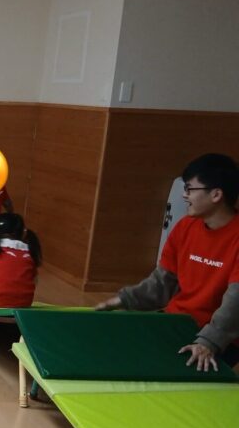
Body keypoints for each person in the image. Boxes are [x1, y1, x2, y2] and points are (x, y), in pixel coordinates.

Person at [96, 153, 239, 372]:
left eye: (190, 189)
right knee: (114, 351)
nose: (184, 195)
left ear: (216, 194)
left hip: (218, 337)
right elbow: (163, 282)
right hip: (176, 321)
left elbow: (235, 302)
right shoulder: (185, 227)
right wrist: (124, 299)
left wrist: (208, 342)